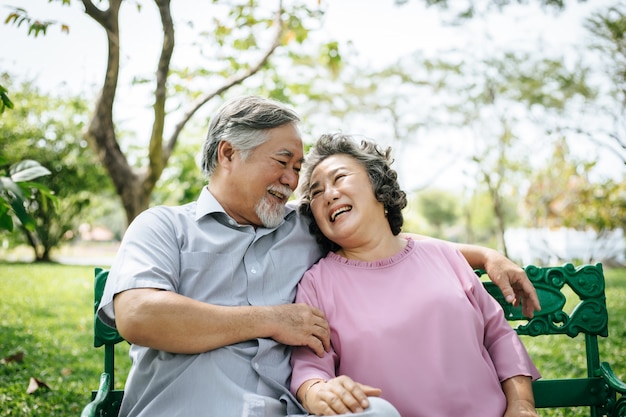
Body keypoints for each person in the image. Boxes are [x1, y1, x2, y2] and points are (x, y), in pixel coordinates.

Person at [96, 95, 540, 417]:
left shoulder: (306, 228)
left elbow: (384, 241)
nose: (294, 181)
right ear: (228, 153)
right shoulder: (163, 227)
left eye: (298, 169)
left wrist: (484, 255)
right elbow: (139, 316)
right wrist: (270, 320)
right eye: (284, 162)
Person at [290, 133, 541, 417]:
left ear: (378, 186)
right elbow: (310, 368)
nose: (329, 194)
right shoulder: (317, 284)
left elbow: (499, 336)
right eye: (316, 191)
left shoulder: (442, 255)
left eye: (339, 178)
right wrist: (316, 391)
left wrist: (522, 405)